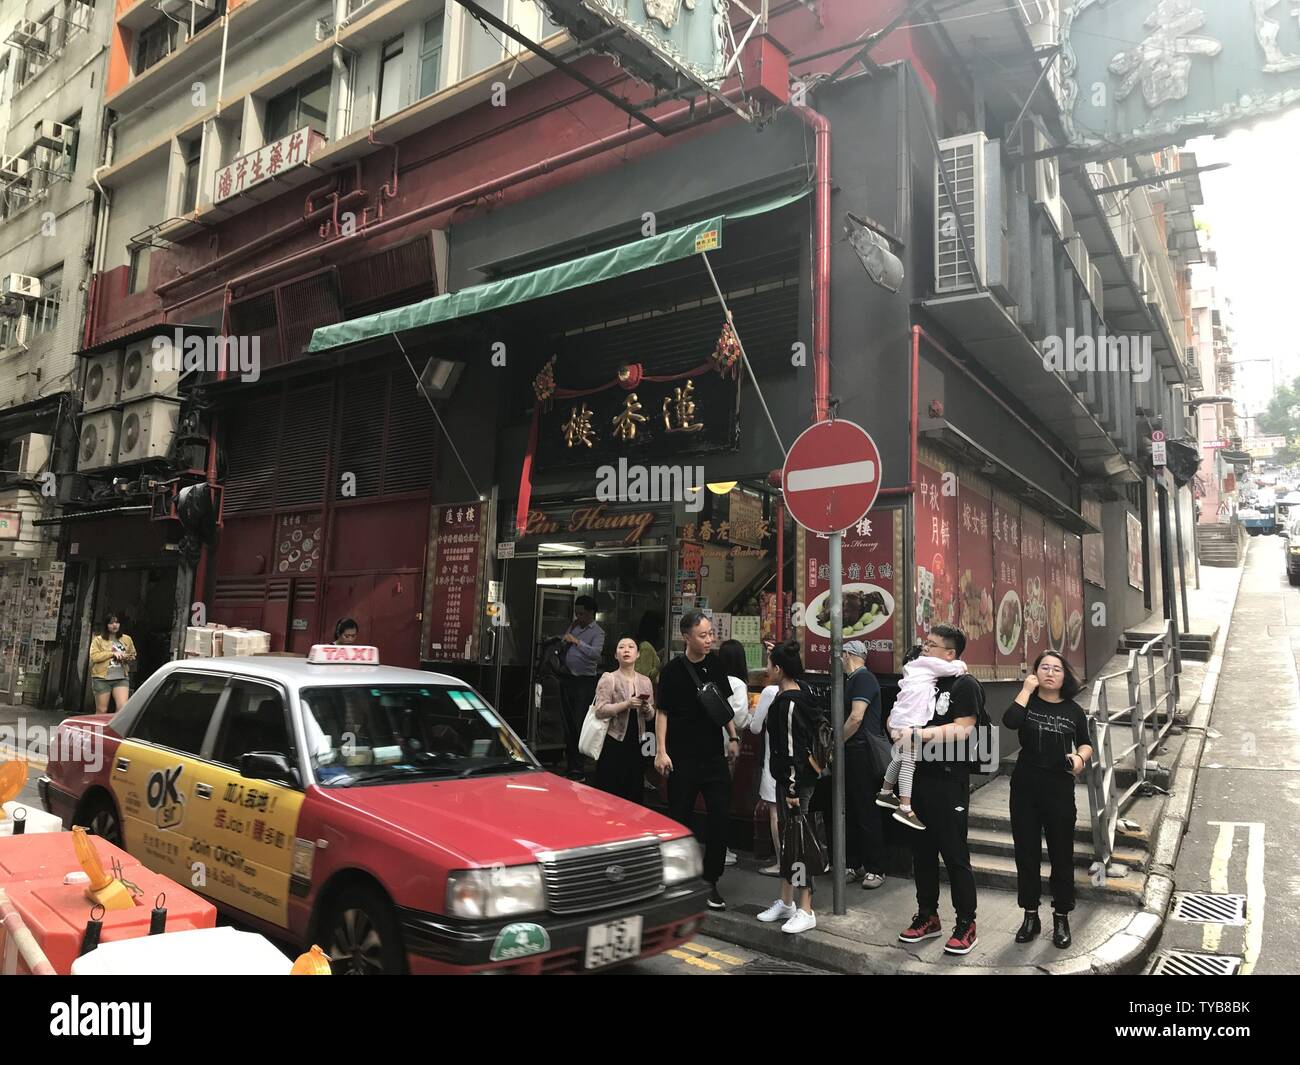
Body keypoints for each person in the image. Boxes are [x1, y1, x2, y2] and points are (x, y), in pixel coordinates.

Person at [897, 624, 984, 957]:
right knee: (922, 853)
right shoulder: (923, 681)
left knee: (954, 854)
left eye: (931, 646)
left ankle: (966, 923)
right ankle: (927, 915)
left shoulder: (965, 685)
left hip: (949, 783)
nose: (924, 650)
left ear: (950, 653)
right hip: (919, 778)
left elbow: (963, 730)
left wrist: (918, 735)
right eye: (924, 644)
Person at [1004, 651, 1094, 949]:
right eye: (1044, 667)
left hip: (1058, 787)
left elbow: (1086, 743)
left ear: (1065, 676)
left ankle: (1061, 916)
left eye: (1057, 669)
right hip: (1025, 787)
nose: (1050, 673)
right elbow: (1010, 721)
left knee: (1061, 854)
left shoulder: (1073, 710)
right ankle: (1030, 915)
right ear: (1035, 673)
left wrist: (1080, 758)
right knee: (1026, 854)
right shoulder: (1027, 700)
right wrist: (1026, 690)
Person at [655, 611, 740, 910]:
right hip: (682, 757)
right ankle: (677, 878)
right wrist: (661, 750)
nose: (709, 640)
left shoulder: (716, 665)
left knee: (720, 819)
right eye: (703, 635)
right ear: (686, 636)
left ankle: (710, 880)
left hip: (713, 756)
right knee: (680, 818)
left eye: (711, 634)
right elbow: (661, 712)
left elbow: (723, 706)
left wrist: (733, 737)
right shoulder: (671, 671)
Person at [755, 640, 821, 935]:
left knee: (799, 843)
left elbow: (793, 750)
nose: (766, 668)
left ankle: (805, 908)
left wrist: (793, 791)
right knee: (788, 841)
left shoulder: (788, 703)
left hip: (795, 783)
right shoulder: (802, 692)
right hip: (796, 780)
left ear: (778, 669)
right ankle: (786, 902)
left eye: (769, 663)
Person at [877, 646, 969, 831]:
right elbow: (955, 668)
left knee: (900, 758)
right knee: (909, 763)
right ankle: (905, 807)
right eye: (927, 650)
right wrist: (961, 665)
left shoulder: (910, 672)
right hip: (909, 722)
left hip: (898, 719)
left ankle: (885, 792)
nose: (929, 651)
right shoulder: (926, 663)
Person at [840, 640, 887, 890]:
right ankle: (853, 863)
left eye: (840, 655)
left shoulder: (863, 679)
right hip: (853, 751)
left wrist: (836, 742)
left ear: (847, 655)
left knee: (865, 809)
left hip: (861, 752)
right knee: (852, 809)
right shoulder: (853, 680)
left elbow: (856, 717)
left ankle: (875, 868)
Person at [591, 637, 656, 804]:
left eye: (631, 647)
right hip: (614, 741)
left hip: (638, 741)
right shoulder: (609, 678)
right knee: (610, 791)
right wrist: (626, 704)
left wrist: (646, 708)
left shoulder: (645, 681)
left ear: (638, 654)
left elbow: (651, 716)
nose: (626, 650)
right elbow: (599, 710)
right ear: (615, 655)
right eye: (621, 647)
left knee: (634, 790)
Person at [558, 595, 605, 780]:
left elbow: (595, 654)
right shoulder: (574, 625)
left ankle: (578, 767)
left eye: (582, 613)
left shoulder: (598, 632)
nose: (578, 617)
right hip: (567, 678)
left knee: (579, 724)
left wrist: (577, 642)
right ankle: (570, 765)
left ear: (592, 613)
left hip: (584, 682)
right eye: (576, 613)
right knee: (567, 723)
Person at [717, 639, 754, 867]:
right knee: (722, 797)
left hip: (711, 743)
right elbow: (739, 717)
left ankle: (718, 847)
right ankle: (723, 848)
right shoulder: (738, 684)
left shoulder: (713, 678)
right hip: (727, 745)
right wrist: (753, 714)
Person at [748, 680, 782, 876]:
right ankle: (798, 859)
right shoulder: (803, 686)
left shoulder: (770, 691)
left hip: (774, 760)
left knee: (775, 812)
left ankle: (781, 861)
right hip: (796, 762)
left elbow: (755, 727)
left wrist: (752, 715)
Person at [89, 613, 137, 712]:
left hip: (121, 677)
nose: (115, 625)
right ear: (106, 625)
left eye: (117, 622)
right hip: (101, 678)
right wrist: (112, 654)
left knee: (122, 708)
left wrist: (126, 657)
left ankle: (114, 728)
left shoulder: (126, 639)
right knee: (102, 709)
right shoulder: (98, 640)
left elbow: (133, 655)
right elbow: (94, 657)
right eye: (111, 623)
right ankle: (99, 728)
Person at [634, 611, 663, 685]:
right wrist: (660, 666)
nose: (662, 631)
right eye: (660, 628)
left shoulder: (644, 645)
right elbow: (646, 676)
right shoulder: (646, 647)